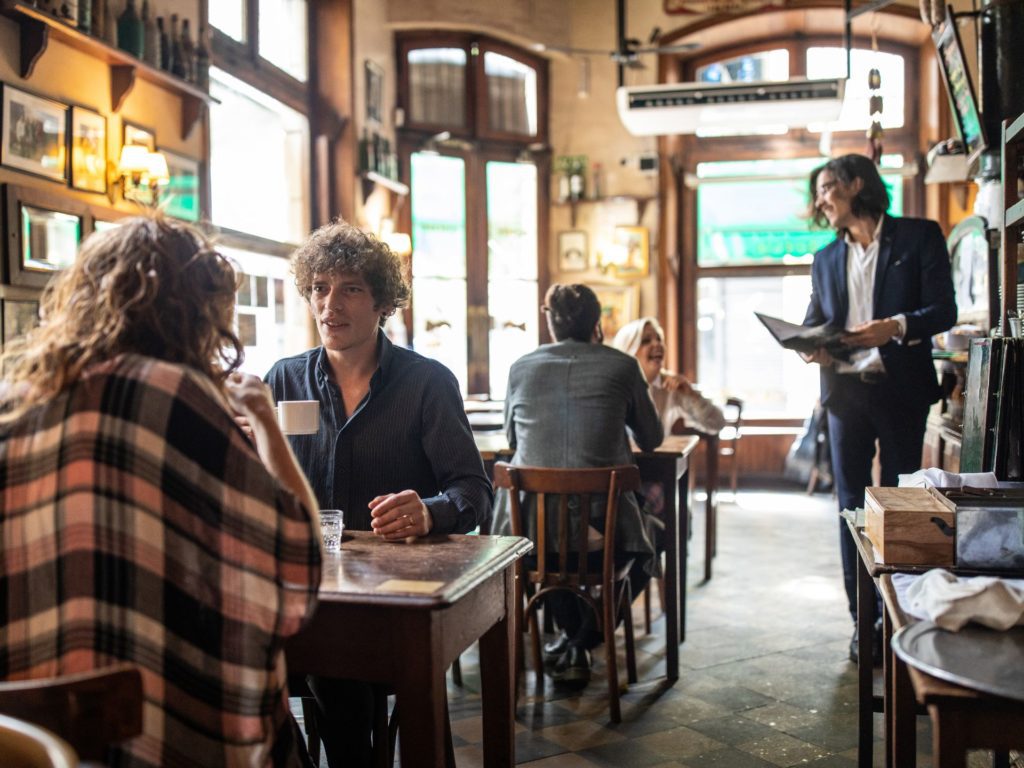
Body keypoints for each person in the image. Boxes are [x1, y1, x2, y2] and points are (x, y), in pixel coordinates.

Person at [0, 216, 322, 767]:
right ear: (194, 311)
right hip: (176, 738)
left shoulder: (13, 404)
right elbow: (297, 576)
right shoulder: (179, 398)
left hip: (27, 744)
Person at [264, 220, 493, 767]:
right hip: (303, 590)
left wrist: (430, 513)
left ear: (383, 301)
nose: (330, 304)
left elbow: (474, 493)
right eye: (319, 288)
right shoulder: (283, 380)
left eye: (350, 289)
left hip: (394, 599)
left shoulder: (426, 383)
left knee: (340, 661)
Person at [802, 154, 956, 662]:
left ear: (856, 184)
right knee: (849, 508)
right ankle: (861, 623)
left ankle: (901, 617)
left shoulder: (919, 236)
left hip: (901, 390)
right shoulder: (825, 259)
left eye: (826, 188)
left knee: (901, 507)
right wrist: (809, 345)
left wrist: (895, 326)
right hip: (844, 395)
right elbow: (816, 321)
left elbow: (943, 310)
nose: (820, 199)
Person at [493, 284, 663, 687]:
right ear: (597, 322)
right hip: (606, 535)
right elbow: (653, 438)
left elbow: (513, 440)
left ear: (550, 322)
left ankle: (574, 640)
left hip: (527, 538)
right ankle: (585, 637)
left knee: (548, 548)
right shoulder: (622, 367)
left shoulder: (520, 367)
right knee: (655, 539)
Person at [612, 317, 725, 437]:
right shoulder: (613, 387)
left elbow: (718, 424)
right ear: (627, 351)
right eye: (646, 341)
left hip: (660, 455)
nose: (657, 344)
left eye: (659, 339)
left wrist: (692, 395)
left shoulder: (671, 385)